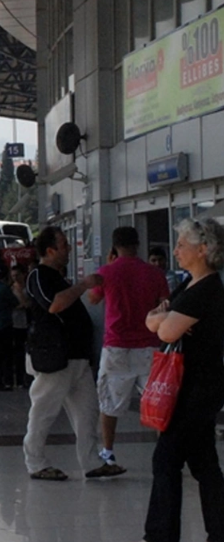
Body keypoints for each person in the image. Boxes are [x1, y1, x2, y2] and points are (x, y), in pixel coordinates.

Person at [142, 218, 224, 542]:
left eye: (181, 245)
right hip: (189, 387)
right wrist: (165, 317)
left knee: (165, 460)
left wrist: (165, 318)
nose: (174, 250)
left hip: (197, 388)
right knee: (204, 463)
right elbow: (152, 321)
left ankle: (160, 535)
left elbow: (163, 329)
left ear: (203, 250)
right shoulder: (188, 284)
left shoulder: (208, 289)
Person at [23, 227, 118, 481]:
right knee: (44, 411)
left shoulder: (59, 277)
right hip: (54, 358)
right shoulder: (39, 276)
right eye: (64, 245)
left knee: (87, 412)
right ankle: (36, 462)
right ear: (50, 250)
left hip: (77, 358)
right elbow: (54, 305)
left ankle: (91, 461)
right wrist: (84, 285)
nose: (69, 249)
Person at [87, 227, 168, 474]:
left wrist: (109, 268)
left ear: (114, 246)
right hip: (148, 345)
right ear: (138, 244)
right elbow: (164, 305)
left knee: (109, 403)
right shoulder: (154, 273)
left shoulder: (107, 273)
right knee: (156, 401)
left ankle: (109, 453)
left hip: (117, 347)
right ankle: (164, 454)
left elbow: (93, 298)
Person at [9, 264, 31, 389]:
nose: (15, 278)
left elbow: (28, 304)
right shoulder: (10, 289)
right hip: (15, 323)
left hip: (26, 323)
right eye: (13, 276)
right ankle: (19, 378)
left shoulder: (27, 289)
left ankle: (27, 377)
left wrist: (22, 302)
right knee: (17, 352)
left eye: (17, 275)